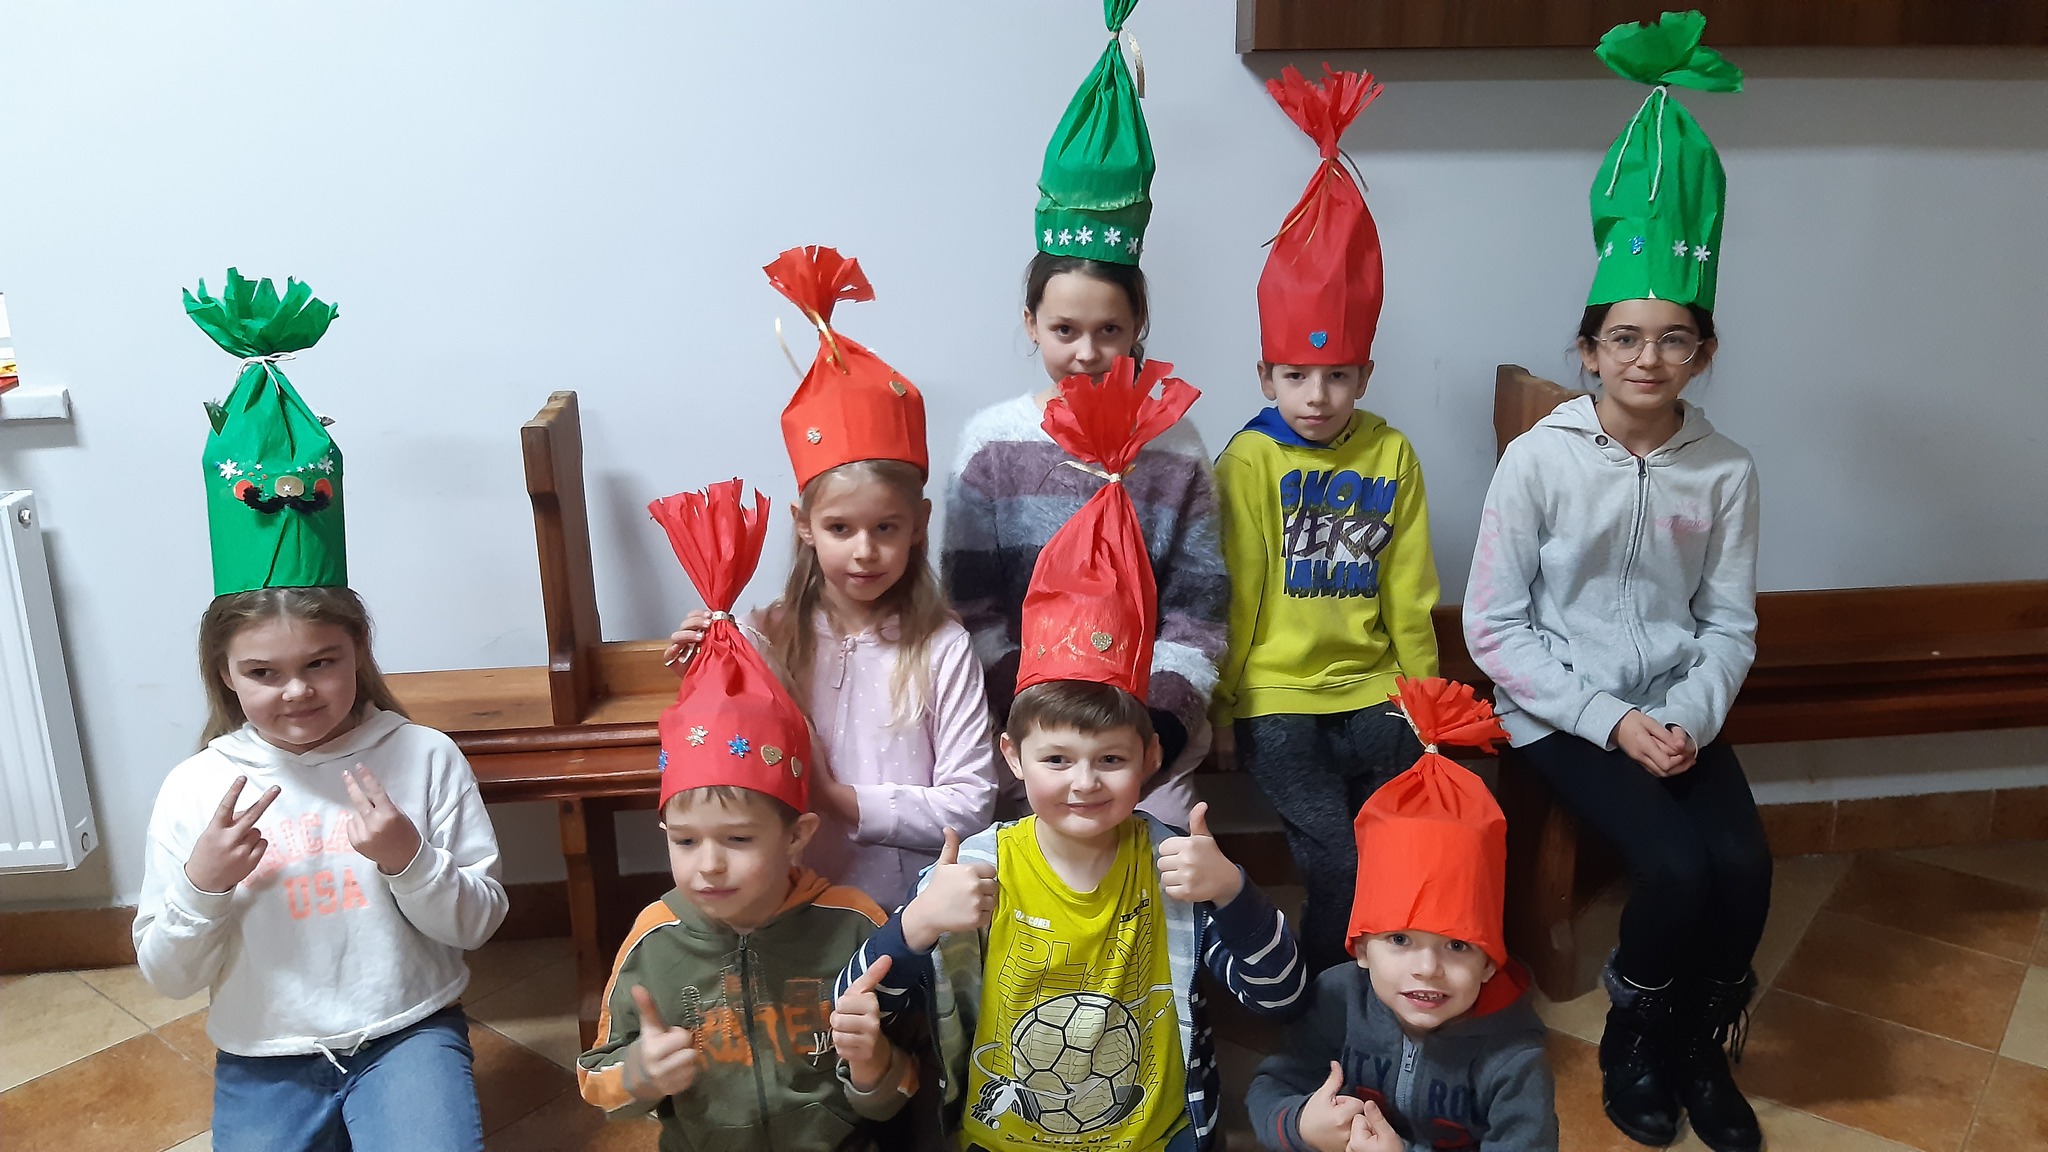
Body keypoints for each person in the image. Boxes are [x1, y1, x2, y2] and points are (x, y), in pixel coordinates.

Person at [840, 359, 1309, 1152]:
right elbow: (857, 1001)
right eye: (1056, 760)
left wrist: (1233, 890)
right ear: (1012, 757)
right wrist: (917, 924)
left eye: (1110, 760)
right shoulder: (975, 870)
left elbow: (1282, 996)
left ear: (1151, 756)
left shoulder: (1177, 871)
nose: (1084, 783)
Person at [1463, 14, 1768, 1151]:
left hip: (1676, 706)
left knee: (1743, 867)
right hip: (1561, 707)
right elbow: (1495, 626)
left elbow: (1728, 623)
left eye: (1674, 339)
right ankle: (1634, 1041)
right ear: (1588, 349)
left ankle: (1696, 1042)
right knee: (1676, 868)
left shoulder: (1726, 470)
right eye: (1624, 338)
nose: (1648, 359)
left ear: (1703, 354)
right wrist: (1608, 720)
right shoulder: (1538, 461)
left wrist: (1685, 716)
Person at [135, 271, 507, 1152]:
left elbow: (479, 922)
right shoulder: (197, 789)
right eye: (263, 672)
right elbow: (168, 975)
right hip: (265, 1052)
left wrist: (408, 858)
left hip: (406, 1032)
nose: (297, 691)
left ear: (358, 651)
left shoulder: (421, 756)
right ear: (225, 675)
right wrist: (203, 883)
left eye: (321, 664)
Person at [943, 0, 1224, 825]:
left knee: (1162, 862)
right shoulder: (992, 445)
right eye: (1065, 330)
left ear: (1139, 327)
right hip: (1023, 736)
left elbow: (1198, 609)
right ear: (1030, 324)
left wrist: (1156, 728)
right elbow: (972, 605)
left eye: (1110, 331)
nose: (1088, 352)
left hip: (1144, 740)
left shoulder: (1174, 444)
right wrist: (1032, 722)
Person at [582, 480, 914, 1150]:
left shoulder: (855, 927)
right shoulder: (653, 941)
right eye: (684, 840)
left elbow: (904, 1088)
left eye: (737, 839)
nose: (707, 865)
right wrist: (640, 1075)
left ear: (798, 836)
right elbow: (597, 1079)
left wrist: (874, 1065)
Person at [668, 246, 999, 907]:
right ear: (803, 525)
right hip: (787, 910)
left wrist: (837, 798)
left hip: (908, 912)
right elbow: (728, 762)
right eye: (841, 528)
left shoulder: (941, 648)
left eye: (886, 528)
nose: (865, 552)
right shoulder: (765, 639)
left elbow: (970, 806)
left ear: (919, 524)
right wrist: (706, 670)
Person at [1213, 64, 1439, 975]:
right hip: (1279, 698)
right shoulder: (1249, 461)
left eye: (1338, 376)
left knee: (1396, 844)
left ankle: (1389, 986)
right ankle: (1321, 992)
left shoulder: (1391, 454)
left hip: (1377, 691)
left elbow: (1409, 588)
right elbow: (1237, 590)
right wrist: (1224, 707)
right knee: (1337, 860)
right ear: (1265, 376)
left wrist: (1425, 700)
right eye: (1296, 377)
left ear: (1365, 375)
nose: (1317, 396)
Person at [1247, 678, 1556, 1151]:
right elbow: (1272, 1086)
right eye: (1400, 939)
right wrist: (1301, 1125)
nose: (1427, 968)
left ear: (1490, 962)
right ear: (1361, 946)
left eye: (1457, 945)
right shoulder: (1336, 999)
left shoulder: (1514, 1057)